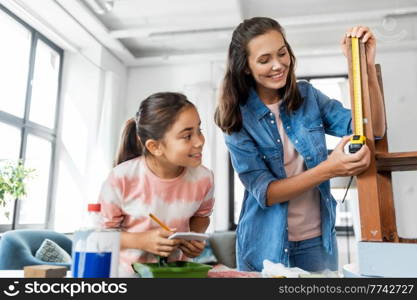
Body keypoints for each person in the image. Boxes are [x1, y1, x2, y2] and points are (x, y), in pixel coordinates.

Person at [214, 17, 386, 272]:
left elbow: (374, 129)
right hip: (262, 245)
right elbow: (266, 193)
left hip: (316, 243)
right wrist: (330, 168)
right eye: (264, 60)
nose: (278, 65)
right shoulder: (237, 119)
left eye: (282, 53)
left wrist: (365, 67)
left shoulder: (308, 96)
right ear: (246, 67)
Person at [99, 92, 214, 276]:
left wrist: (194, 238)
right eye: (187, 136)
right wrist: (140, 241)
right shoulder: (121, 178)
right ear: (155, 147)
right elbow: (101, 237)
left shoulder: (204, 178)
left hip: (177, 275)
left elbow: (202, 216)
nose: (199, 141)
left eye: (199, 130)